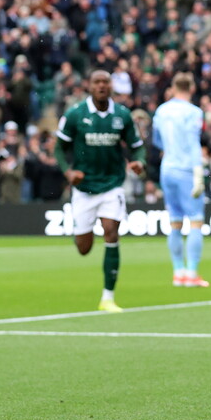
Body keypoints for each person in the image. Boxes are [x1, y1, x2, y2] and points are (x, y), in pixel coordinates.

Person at [55, 70, 146, 312]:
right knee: (84, 248)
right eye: (97, 82)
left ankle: (107, 297)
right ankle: (84, 235)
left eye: (106, 82)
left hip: (112, 185)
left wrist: (139, 162)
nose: (102, 86)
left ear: (111, 86)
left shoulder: (123, 115)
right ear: (89, 86)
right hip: (84, 189)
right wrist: (68, 172)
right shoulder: (75, 114)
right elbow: (58, 148)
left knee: (110, 232)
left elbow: (138, 147)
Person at [152, 72, 209, 288]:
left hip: (167, 169)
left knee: (175, 222)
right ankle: (192, 273)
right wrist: (198, 171)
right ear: (192, 88)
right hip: (186, 169)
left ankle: (178, 273)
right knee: (195, 220)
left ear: (173, 88)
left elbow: (157, 140)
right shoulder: (193, 112)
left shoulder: (162, 110)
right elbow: (193, 141)